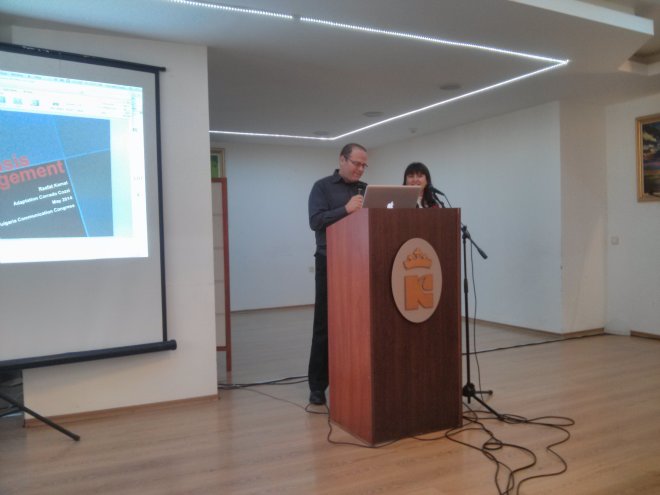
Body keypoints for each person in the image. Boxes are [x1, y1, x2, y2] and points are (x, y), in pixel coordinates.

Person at [307, 143, 368, 405]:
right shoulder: (322, 187)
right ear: (342, 160)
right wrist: (346, 209)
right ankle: (318, 386)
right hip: (330, 262)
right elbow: (315, 221)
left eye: (364, 165)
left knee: (358, 324)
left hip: (361, 263)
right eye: (356, 163)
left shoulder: (366, 190)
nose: (360, 169)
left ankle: (354, 378)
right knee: (325, 324)